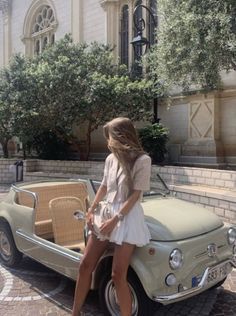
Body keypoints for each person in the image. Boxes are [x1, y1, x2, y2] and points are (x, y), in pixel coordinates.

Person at [72, 117, 151, 316]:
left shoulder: (143, 160)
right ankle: (75, 313)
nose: (108, 142)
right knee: (85, 265)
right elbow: (105, 186)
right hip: (106, 213)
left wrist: (116, 220)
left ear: (121, 137)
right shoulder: (110, 159)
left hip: (128, 217)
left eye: (110, 137)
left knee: (117, 275)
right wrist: (92, 210)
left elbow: (136, 195)